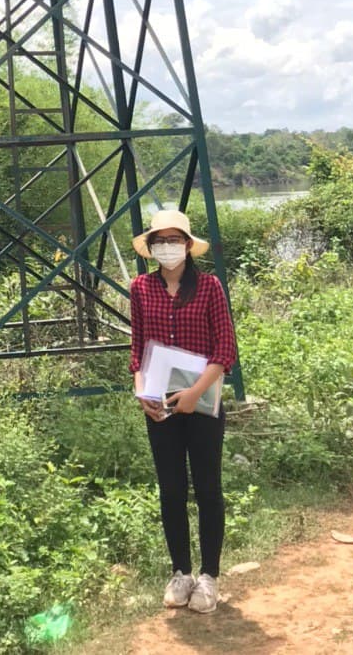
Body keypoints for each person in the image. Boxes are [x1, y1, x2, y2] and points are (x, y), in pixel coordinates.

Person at [129, 208, 238, 615]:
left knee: (207, 488)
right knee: (171, 490)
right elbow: (138, 347)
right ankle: (181, 572)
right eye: (160, 241)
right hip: (159, 407)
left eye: (174, 240)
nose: (167, 248)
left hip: (202, 403)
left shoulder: (209, 288)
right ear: (151, 248)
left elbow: (225, 349)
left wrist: (194, 393)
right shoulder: (140, 288)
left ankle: (209, 576)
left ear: (188, 246)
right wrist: (142, 392)